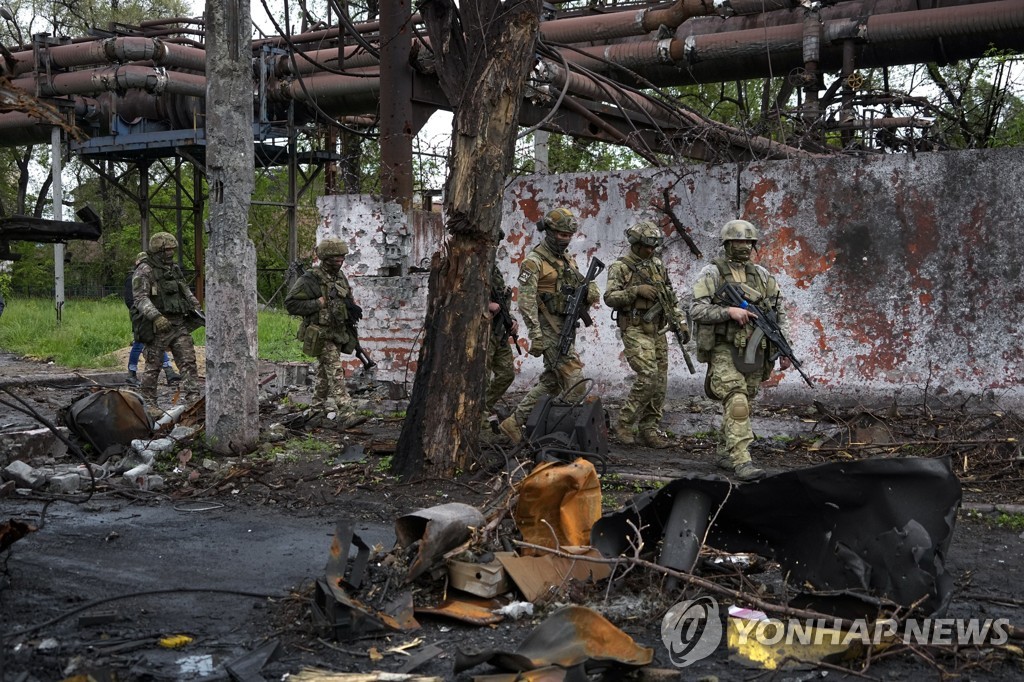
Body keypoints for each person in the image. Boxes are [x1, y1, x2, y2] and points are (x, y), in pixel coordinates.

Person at [690, 219, 791, 482]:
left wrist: (784, 348)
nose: (743, 246)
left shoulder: (762, 275)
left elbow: (780, 313)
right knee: (737, 399)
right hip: (725, 348)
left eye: (748, 242)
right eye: (738, 241)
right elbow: (695, 309)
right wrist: (728, 311)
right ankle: (742, 460)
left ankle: (725, 452)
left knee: (747, 396)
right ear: (726, 243)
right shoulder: (712, 273)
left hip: (755, 349)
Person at [499, 208, 600, 444]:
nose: (565, 239)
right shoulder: (534, 262)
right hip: (549, 331)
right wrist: (536, 335)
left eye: (568, 235)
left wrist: (590, 290)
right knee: (576, 384)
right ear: (549, 232)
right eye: (560, 234)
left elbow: (578, 285)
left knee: (552, 382)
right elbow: (525, 301)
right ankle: (560, 428)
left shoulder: (565, 259)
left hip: (566, 326)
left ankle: (513, 423)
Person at [603, 220, 684, 449]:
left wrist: (680, 322)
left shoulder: (657, 264)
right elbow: (609, 298)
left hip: (657, 329)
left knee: (660, 381)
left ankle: (649, 428)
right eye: (646, 246)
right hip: (635, 327)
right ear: (635, 244)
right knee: (647, 375)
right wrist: (635, 291)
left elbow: (670, 296)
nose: (650, 251)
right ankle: (624, 423)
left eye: (653, 247)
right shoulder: (621, 267)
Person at [285, 238, 365, 427]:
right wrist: (317, 303)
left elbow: (346, 299)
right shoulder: (310, 279)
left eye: (342, 257)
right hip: (320, 333)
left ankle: (316, 409)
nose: (340, 260)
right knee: (335, 371)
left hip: (337, 331)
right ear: (326, 257)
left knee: (323, 373)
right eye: (336, 257)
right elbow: (291, 304)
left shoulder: (340, 277)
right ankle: (346, 413)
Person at [132, 232, 202, 409]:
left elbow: (185, 289)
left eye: (172, 249)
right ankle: (149, 404)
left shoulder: (173, 269)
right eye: (167, 250)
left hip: (179, 324)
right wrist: (156, 317)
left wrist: (196, 308)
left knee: (188, 363)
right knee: (153, 367)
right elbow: (140, 298)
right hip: (158, 327)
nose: (170, 253)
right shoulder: (145, 270)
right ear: (158, 251)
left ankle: (193, 401)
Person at [123, 251, 179, 387]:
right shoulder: (132, 278)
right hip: (141, 316)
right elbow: (132, 300)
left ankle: (168, 371)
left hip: (152, 314)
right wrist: (141, 313)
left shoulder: (151, 276)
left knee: (158, 341)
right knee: (139, 342)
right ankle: (131, 374)